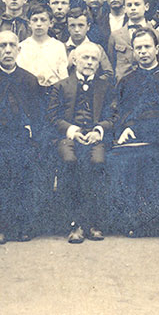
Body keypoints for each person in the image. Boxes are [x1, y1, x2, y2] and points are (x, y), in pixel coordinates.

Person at [0, 31, 45, 244]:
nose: (7, 50)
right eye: (2, 46)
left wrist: (29, 130)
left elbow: (37, 115)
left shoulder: (29, 79)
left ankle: (23, 224)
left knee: (26, 162)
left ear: (19, 49)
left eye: (12, 45)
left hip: (21, 135)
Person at [47, 42, 118, 243]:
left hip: (95, 136)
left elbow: (113, 115)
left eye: (93, 59)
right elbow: (52, 117)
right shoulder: (61, 86)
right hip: (68, 136)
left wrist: (99, 130)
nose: (89, 62)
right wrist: (71, 130)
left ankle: (94, 223)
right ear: (75, 60)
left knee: (97, 163)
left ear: (98, 63)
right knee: (70, 163)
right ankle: (74, 223)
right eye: (85, 58)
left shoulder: (106, 87)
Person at [114, 29, 159, 237]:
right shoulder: (127, 80)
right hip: (137, 135)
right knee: (132, 164)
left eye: (147, 47)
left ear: (157, 49)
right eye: (139, 48)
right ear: (133, 52)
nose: (143, 52)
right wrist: (125, 128)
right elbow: (120, 111)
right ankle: (138, 222)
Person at [107, 0, 159, 81]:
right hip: (123, 85)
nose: (133, 8)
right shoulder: (116, 35)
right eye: (129, 5)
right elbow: (111, 61)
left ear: (146, 7)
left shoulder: (158, 35)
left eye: (137, 4)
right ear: (124, 9)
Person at [16, 3, 69, 88]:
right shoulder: (22, 47)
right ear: (29, 23)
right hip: (28, 91)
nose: (39, 24)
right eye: (35, 20)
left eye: (43, 20)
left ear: (51, 23)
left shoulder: (58, 46)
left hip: (52, 92)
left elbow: (63, 76)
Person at [65, 7, 114, 81]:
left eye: (81, 25)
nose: (76, 30)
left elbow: (109, 73)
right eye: (72, 25)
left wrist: (93, 83)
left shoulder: (97, 48)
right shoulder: (60, 48)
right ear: (68, 27)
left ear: (88, 27)